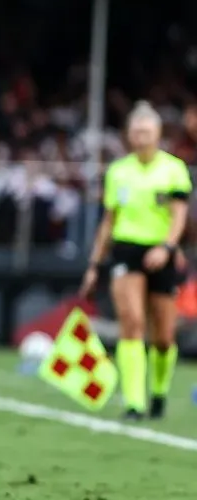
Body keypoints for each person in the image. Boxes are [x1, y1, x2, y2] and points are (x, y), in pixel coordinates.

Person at [80, 101, 192, 420]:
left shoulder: (174, 169)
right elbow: (108, 222)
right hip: (126, 250)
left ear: (157, 134)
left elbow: (179, 215)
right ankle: (134, 402)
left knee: (163, 336)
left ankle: (158, 392)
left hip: (162, 253)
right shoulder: (118, 172)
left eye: (147, 131)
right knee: (131, 322)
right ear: (129, 135)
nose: (141, 136)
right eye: (136, 131)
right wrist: (93, 265)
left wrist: (168, 247)